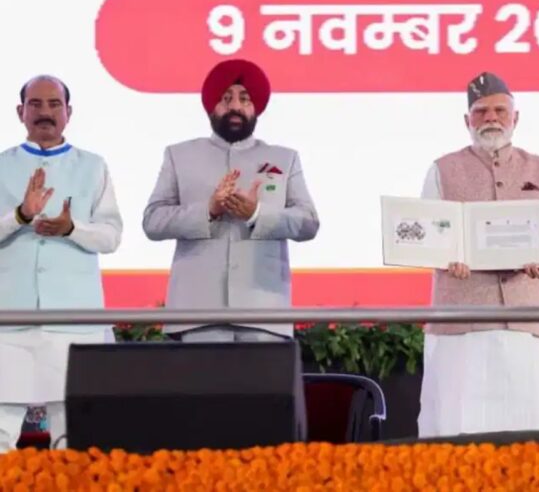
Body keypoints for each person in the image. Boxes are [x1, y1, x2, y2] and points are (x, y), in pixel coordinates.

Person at [417, 72, 539, 437]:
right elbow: (427, 236)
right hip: (461, 321)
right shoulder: (442, 169)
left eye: (500, 111)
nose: (491, 118)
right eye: (481, 111)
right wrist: (447, 256)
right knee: (457, 427)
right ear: (466, 120)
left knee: (528, 429)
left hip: (527, 322)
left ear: (516, 118)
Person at [142, 59, 319, 342]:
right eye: (226, 99)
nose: (235, 106)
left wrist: (257, 215)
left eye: (244, 98)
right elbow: (152, 222)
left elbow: (308, 223)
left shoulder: (285, 158)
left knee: (263, 389)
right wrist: (208, 211)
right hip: (197, 314)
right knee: (202, 388)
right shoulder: (179, 155)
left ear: (256, 107)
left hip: (264, 313)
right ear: (211, 106)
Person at [0, 75, 122, 450]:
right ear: (21, 112)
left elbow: (111, 237)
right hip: (10, 319)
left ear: (69, 112)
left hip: (74, 319)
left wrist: (72, 228)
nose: (45, 112)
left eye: (54, 104)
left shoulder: (93, 166)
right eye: (35, 104)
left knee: (71, 438)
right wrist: (20, 215)